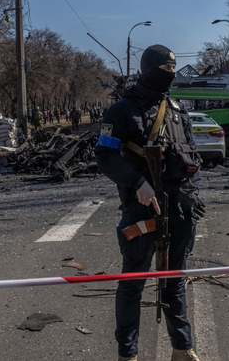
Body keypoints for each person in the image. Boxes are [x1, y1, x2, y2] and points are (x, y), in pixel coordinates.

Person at [94, 44, 206, 361]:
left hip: (179, 208)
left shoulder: (177, 110)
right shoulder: (122, 110)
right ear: (148, 70)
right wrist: (138, 183)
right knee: (133, 283)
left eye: (173, 69)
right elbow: (104, 155)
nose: (171, 74)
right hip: (141, 208)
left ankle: (182, 349)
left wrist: (194, 194)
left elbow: (193, 158)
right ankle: (127, 354)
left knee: (174, 281)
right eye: (165, 69)